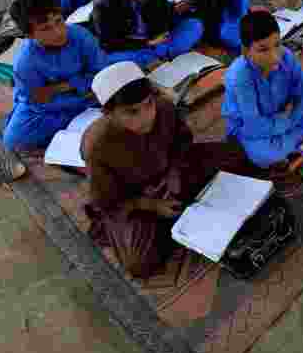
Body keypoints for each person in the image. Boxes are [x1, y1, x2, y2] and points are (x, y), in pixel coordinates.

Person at [82, 61, 267, 278]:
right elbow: (107, 200)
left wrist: (174, 172)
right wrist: (151, 205)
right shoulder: (97, 145)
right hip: (138, 199)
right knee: (139, 263)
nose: (145, 117)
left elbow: (183, 144)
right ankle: (176, 220)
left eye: (148, 104)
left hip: (175, 173)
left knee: (244, 154)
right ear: (109, 113)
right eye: (131, 112)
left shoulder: (164, 108)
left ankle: (180, 214)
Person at [222, 11, 303, 168]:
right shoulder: (239, 77)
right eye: (263, 49)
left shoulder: (285, 55)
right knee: (264, 155)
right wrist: (289, 121)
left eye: (277, 44)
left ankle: (299, 135)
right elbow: (254, 126)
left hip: (286, 115)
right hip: (252, 130)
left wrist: (292, 116)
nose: (274, 57)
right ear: (246, 51)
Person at [3, 0, 106, 152]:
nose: (58, 32)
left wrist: (63, 86)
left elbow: (100, 73)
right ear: (29, 35)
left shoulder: (80, 35)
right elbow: (38, 102)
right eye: (46, 29)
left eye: (59, 21)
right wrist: (79, 96)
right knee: (14, 141)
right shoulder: (25, 62)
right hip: (56, 105)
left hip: (85, 92)